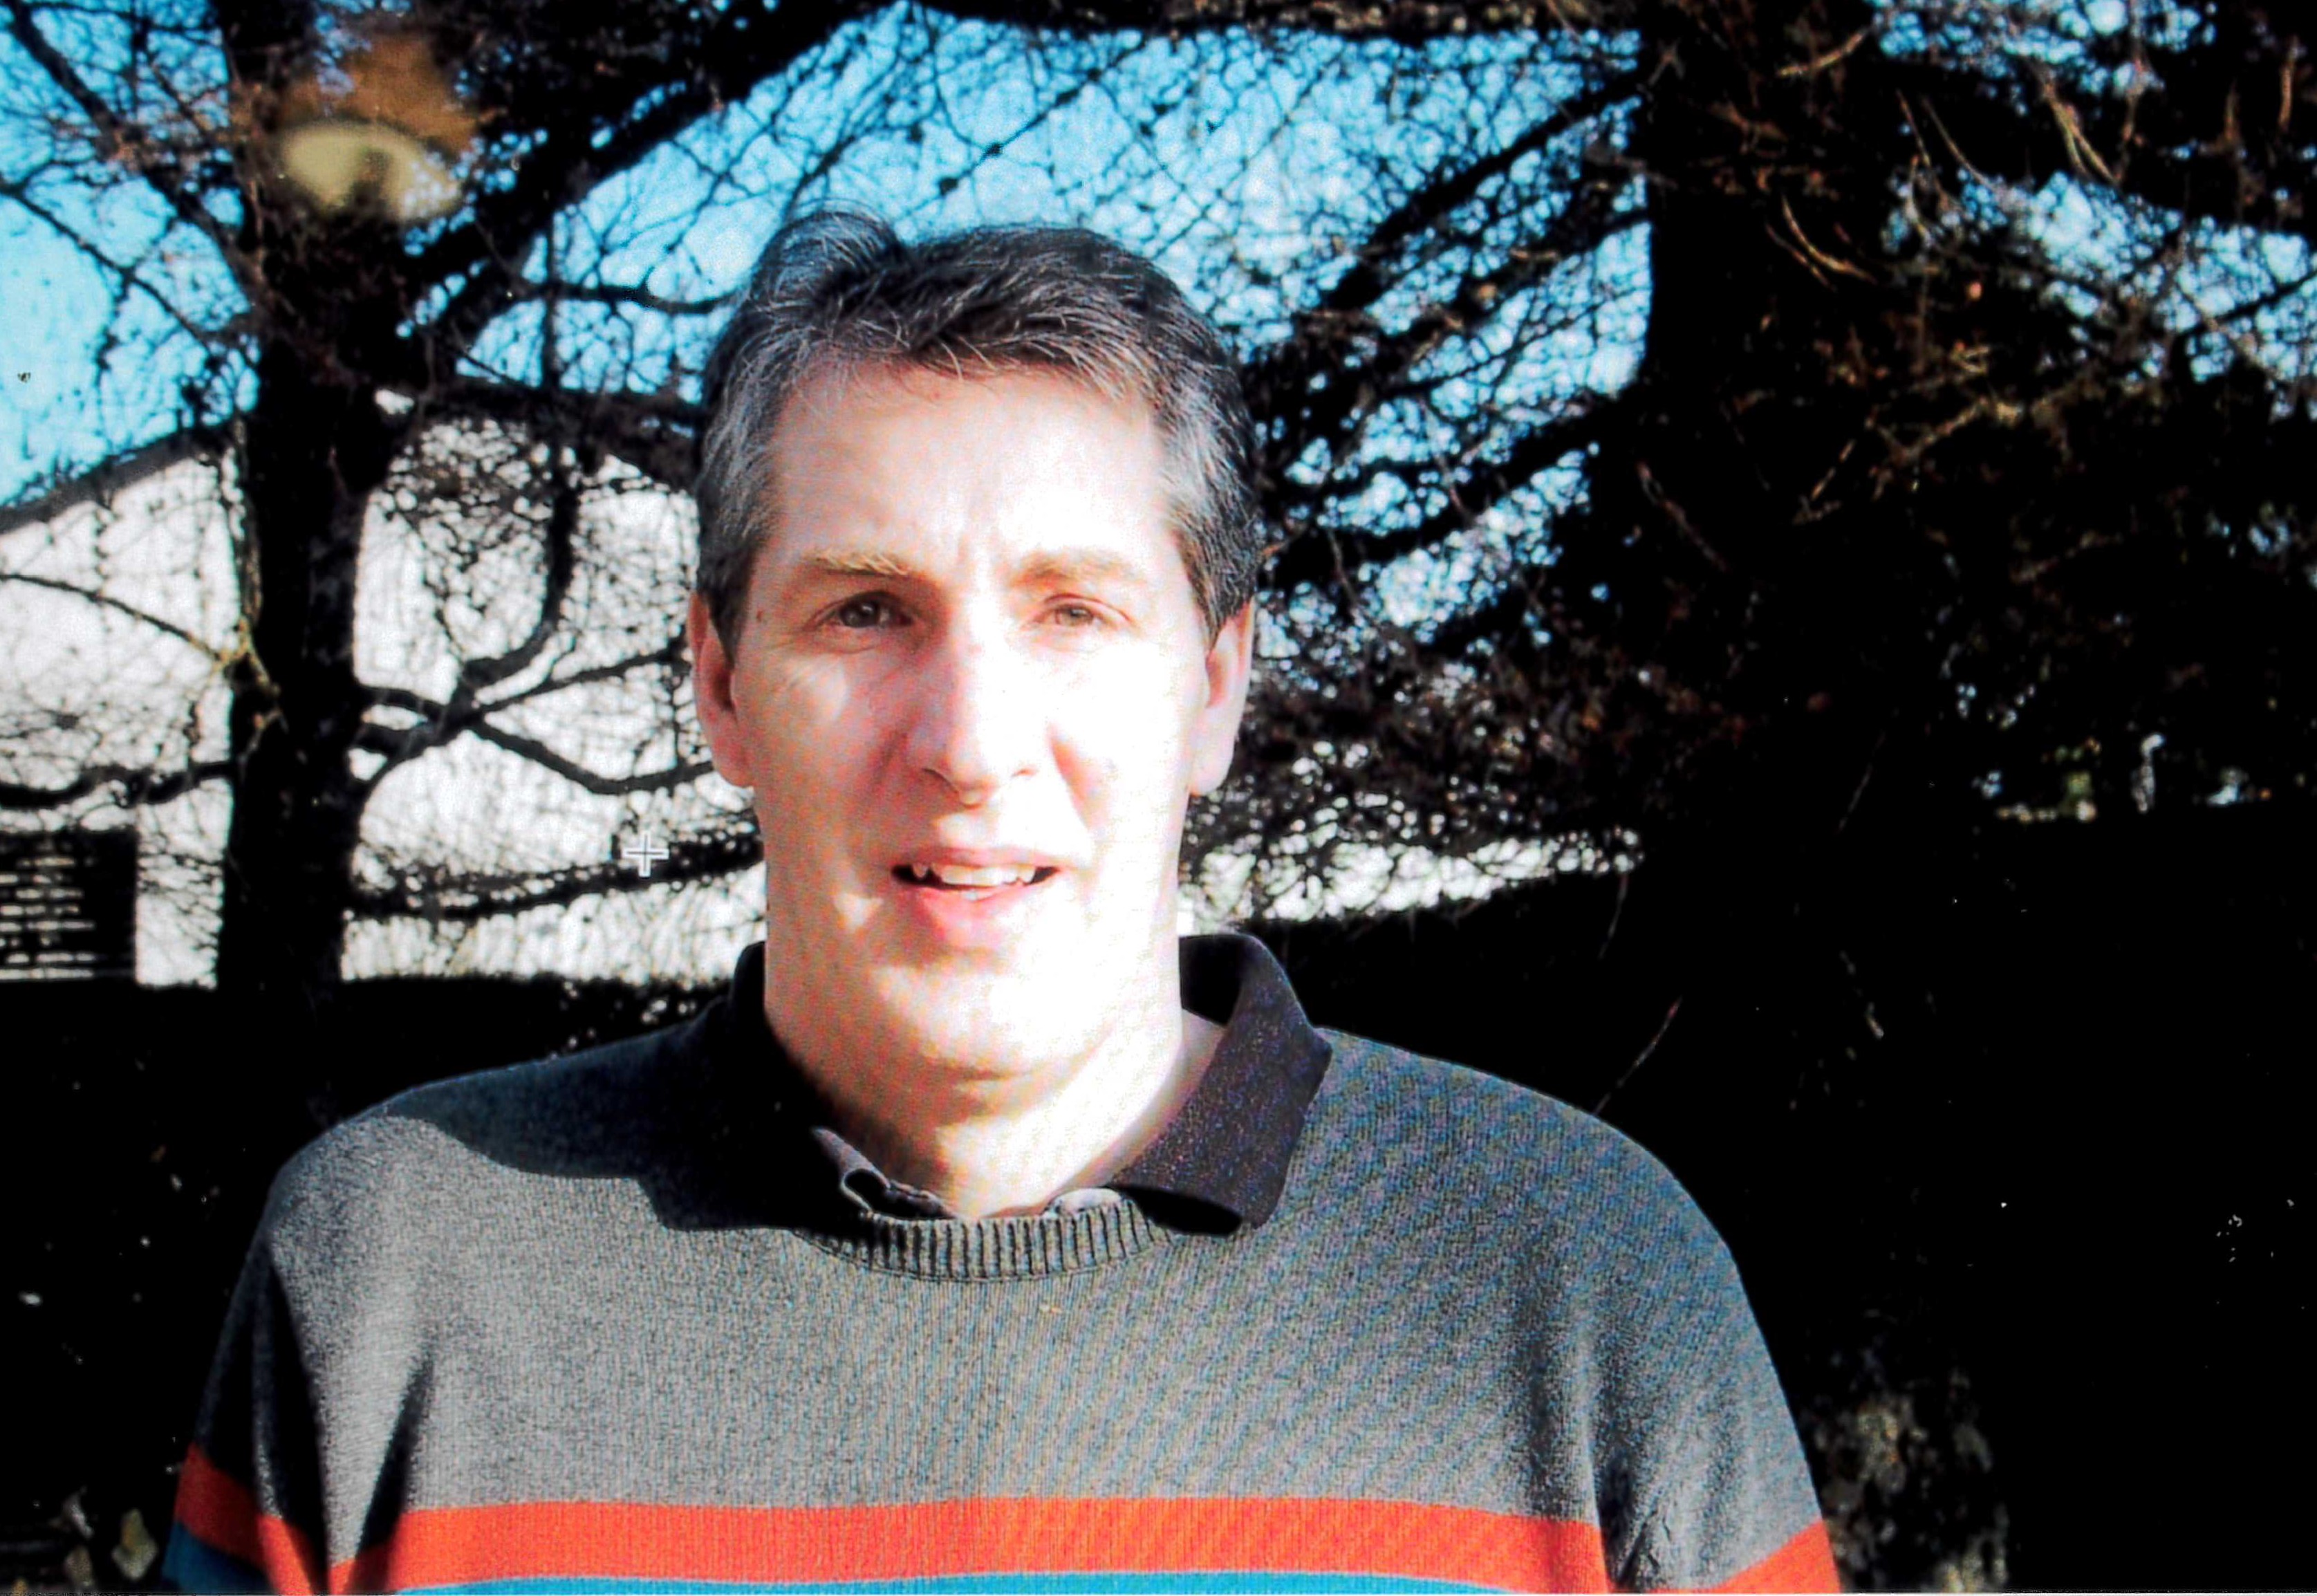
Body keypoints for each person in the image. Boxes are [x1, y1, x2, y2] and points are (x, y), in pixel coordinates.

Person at [160, 211, 1840, 1595]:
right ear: (721, 684)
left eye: (1071, 611)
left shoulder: (1578, 1282)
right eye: (867, 608)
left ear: (1214, 686)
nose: (969, 742)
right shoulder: (395, 1278)